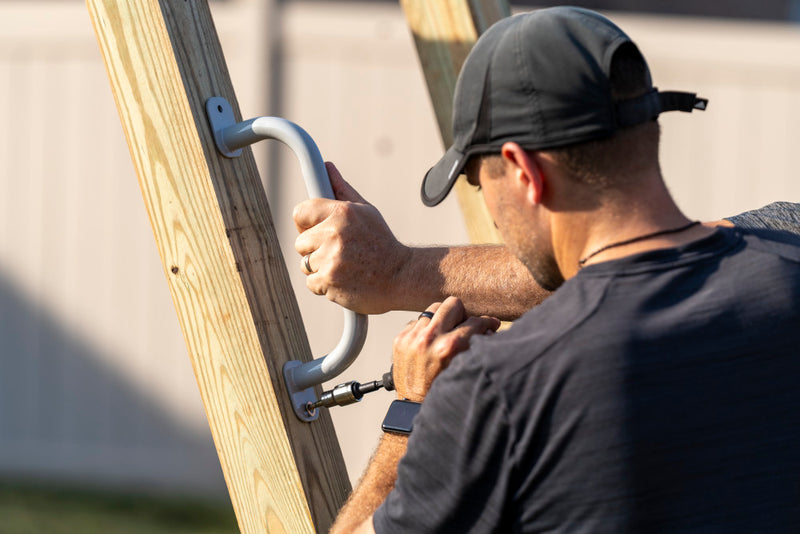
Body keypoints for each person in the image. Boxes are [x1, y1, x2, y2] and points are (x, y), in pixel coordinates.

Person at [305, 7, 800, 532]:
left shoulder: (498, 393)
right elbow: (660, 267)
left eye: (479, 181)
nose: (492, 215)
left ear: (523, 171)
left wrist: (412, 413)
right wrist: (397, 270)